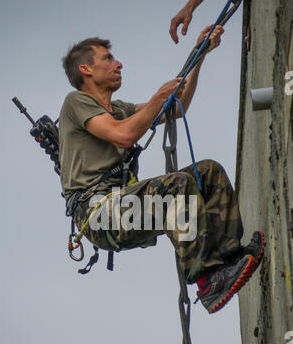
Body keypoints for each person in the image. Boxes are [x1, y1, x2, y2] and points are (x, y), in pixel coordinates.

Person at [59, 27, 265, 314]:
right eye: (108, 59)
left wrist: (200, 54)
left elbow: (176, 109)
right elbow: (122, 135)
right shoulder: (76, 102)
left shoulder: (119, 108)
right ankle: (207, 280)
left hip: (122, 206)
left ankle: (228, 259)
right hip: (97, 214)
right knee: (178, 186)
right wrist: (157, 97)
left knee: (207, 172)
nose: (118, 64)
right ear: (86, 69)